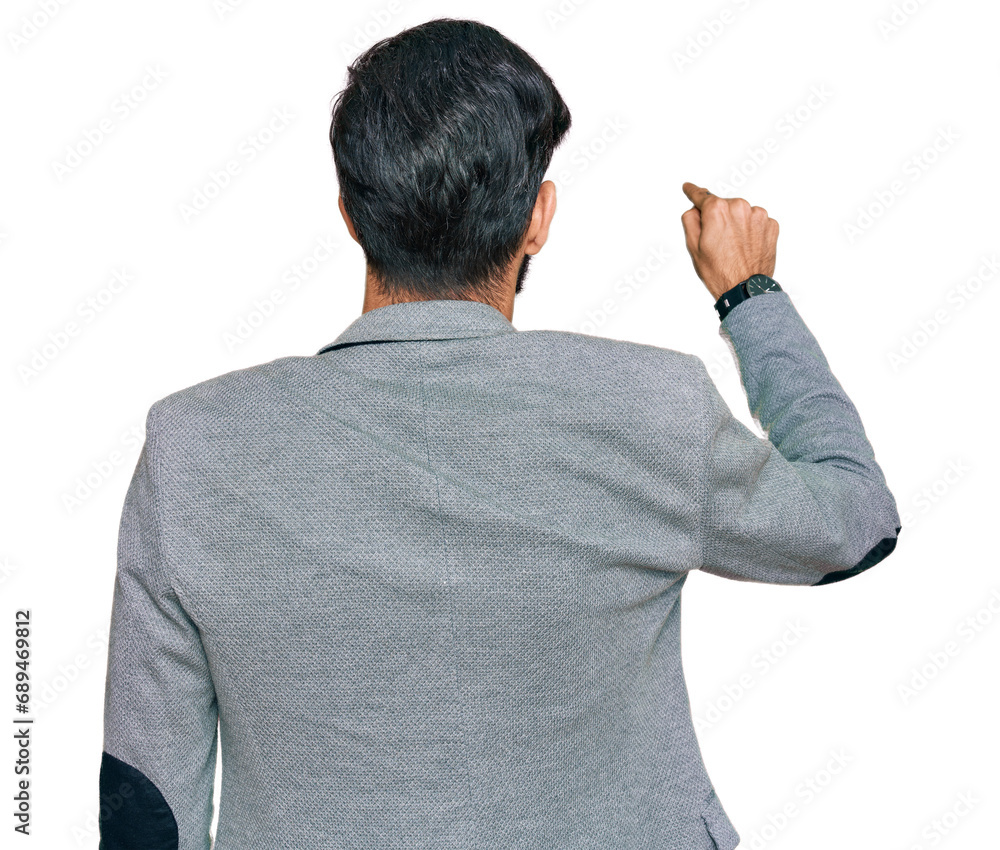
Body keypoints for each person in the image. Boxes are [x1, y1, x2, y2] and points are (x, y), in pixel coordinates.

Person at [98, 17, 901, 850]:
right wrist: (750, 295)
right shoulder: (648, 407)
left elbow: (146, 807)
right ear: (540, 217)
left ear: (348, 214)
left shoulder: (192, 449)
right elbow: (855, 525)